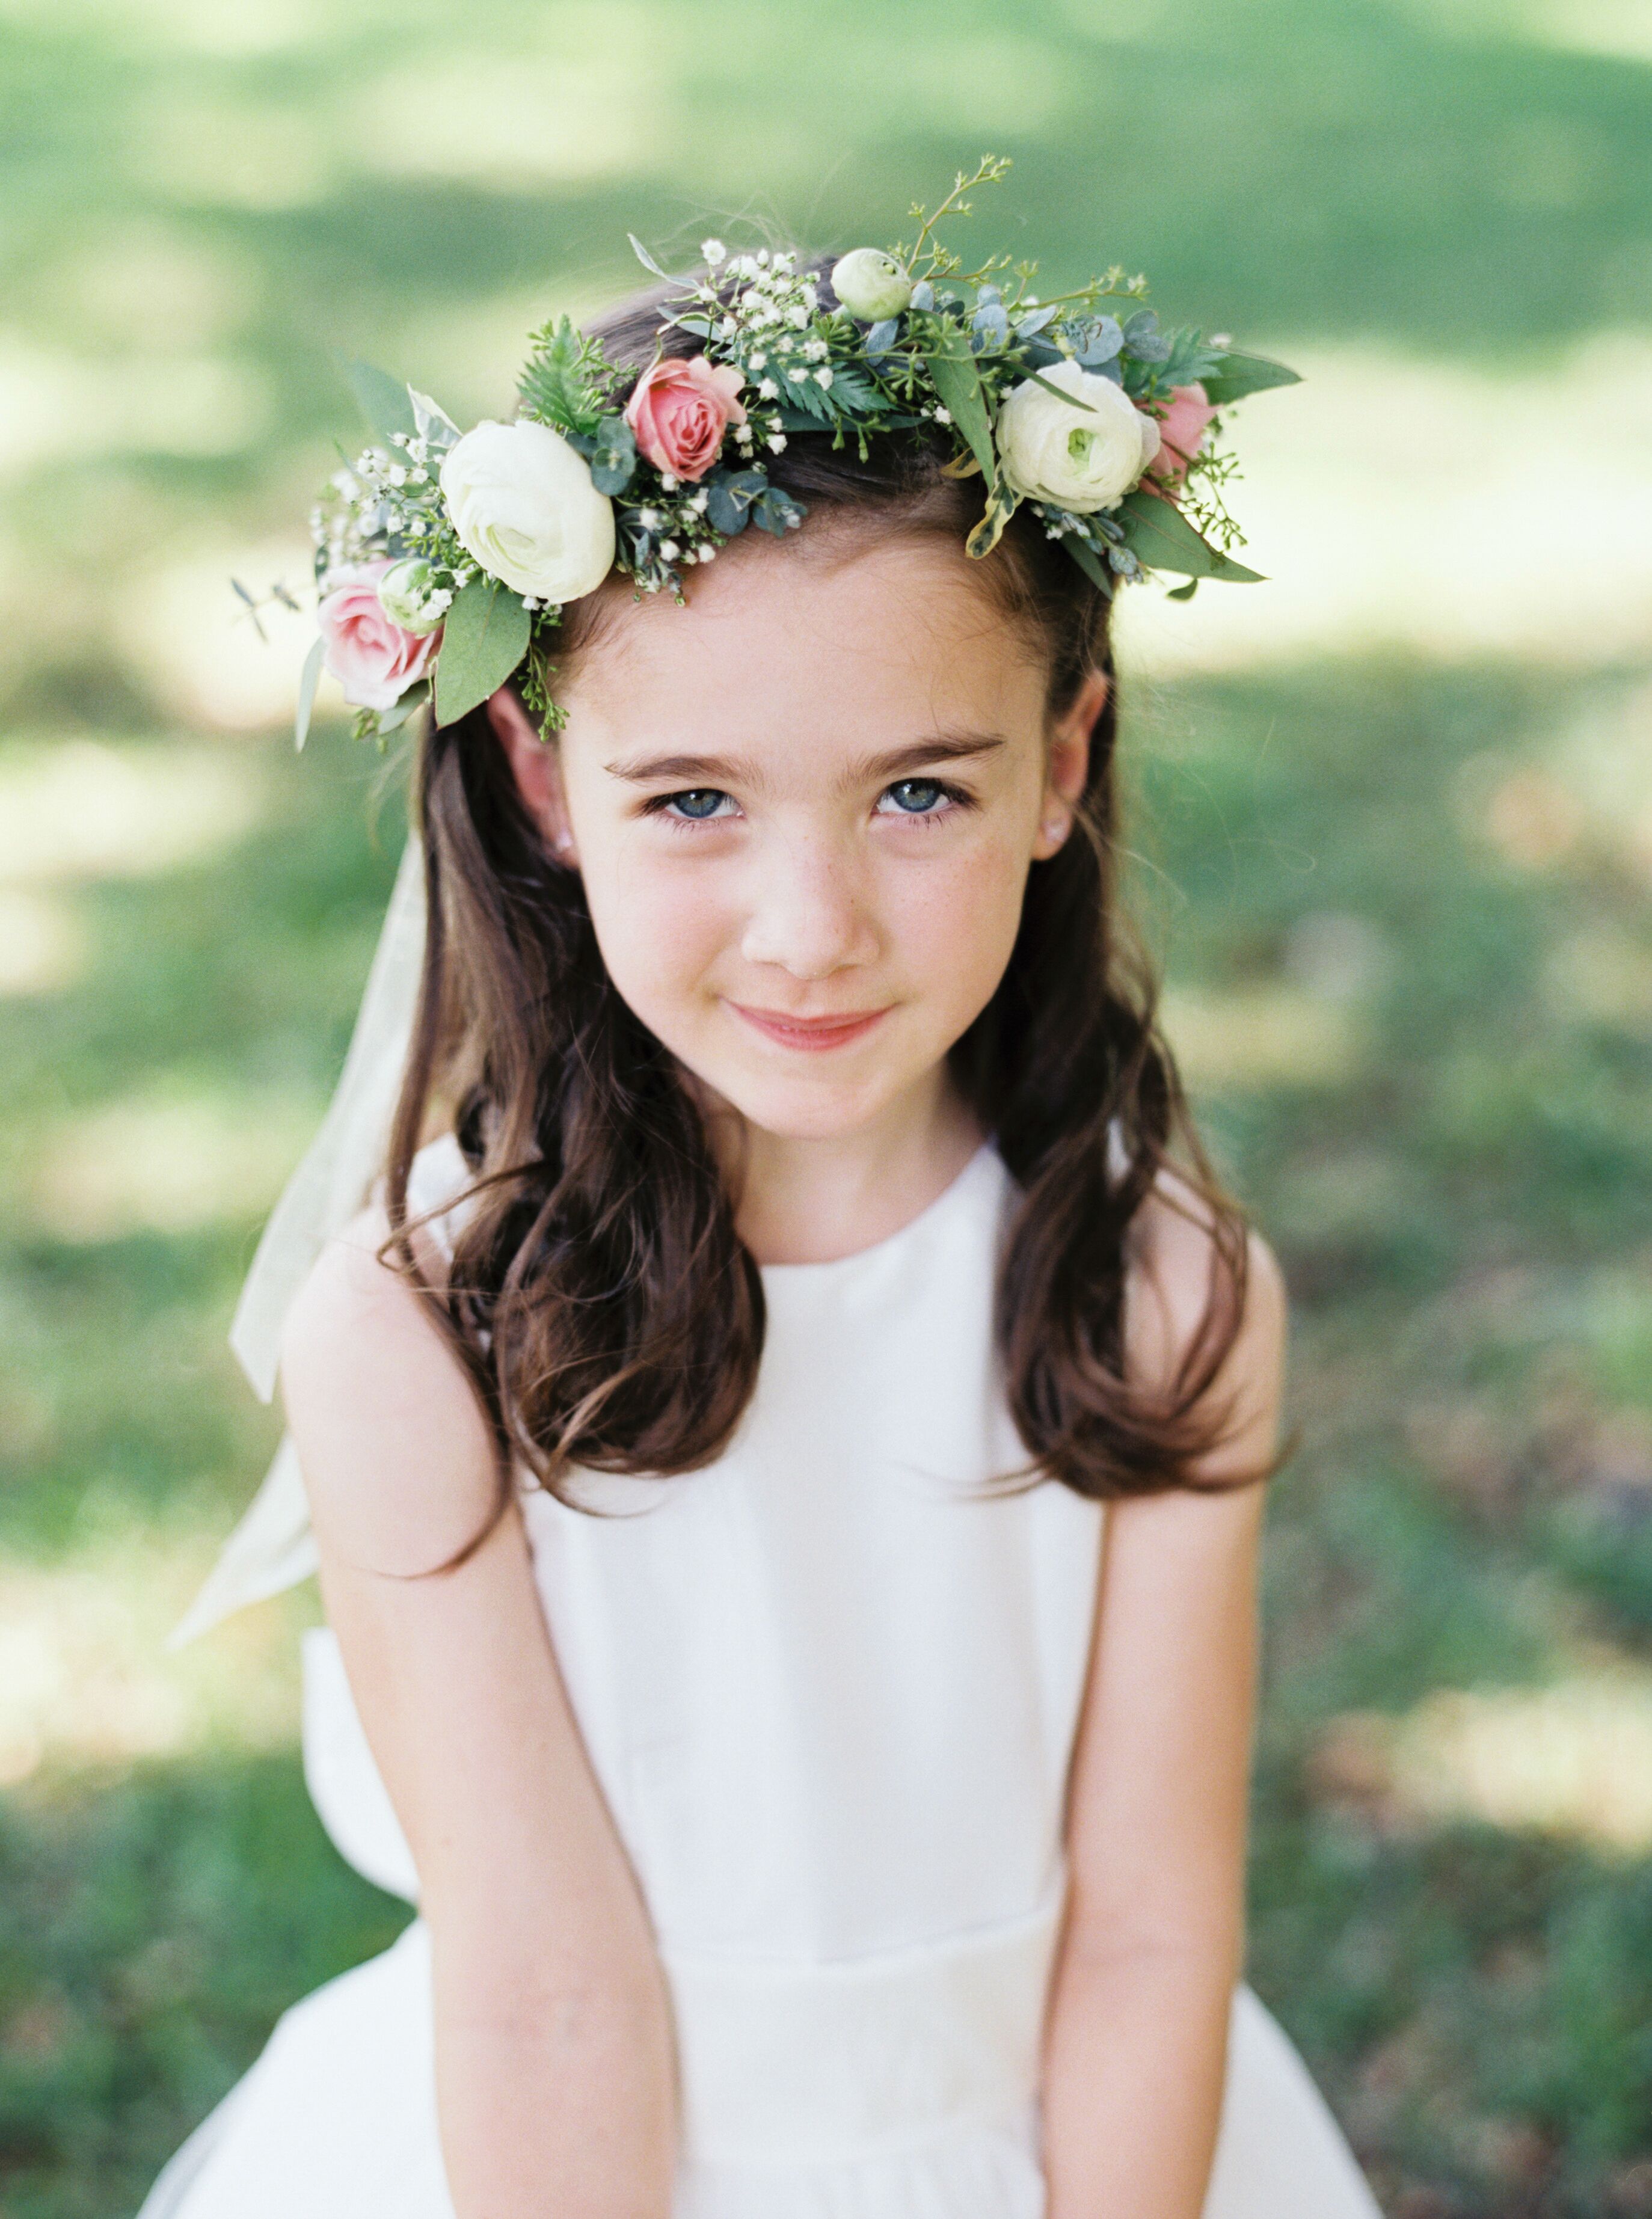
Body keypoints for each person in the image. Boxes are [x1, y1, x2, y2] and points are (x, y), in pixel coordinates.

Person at [138, 185, 1383, 2218]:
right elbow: (546, 2001)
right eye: (694, 798)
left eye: (917, 791)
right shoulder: (416, 1344)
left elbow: (1151, 1934)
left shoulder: (1156, 1288)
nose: (810, 932)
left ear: (1062, 764)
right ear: (548, 787)